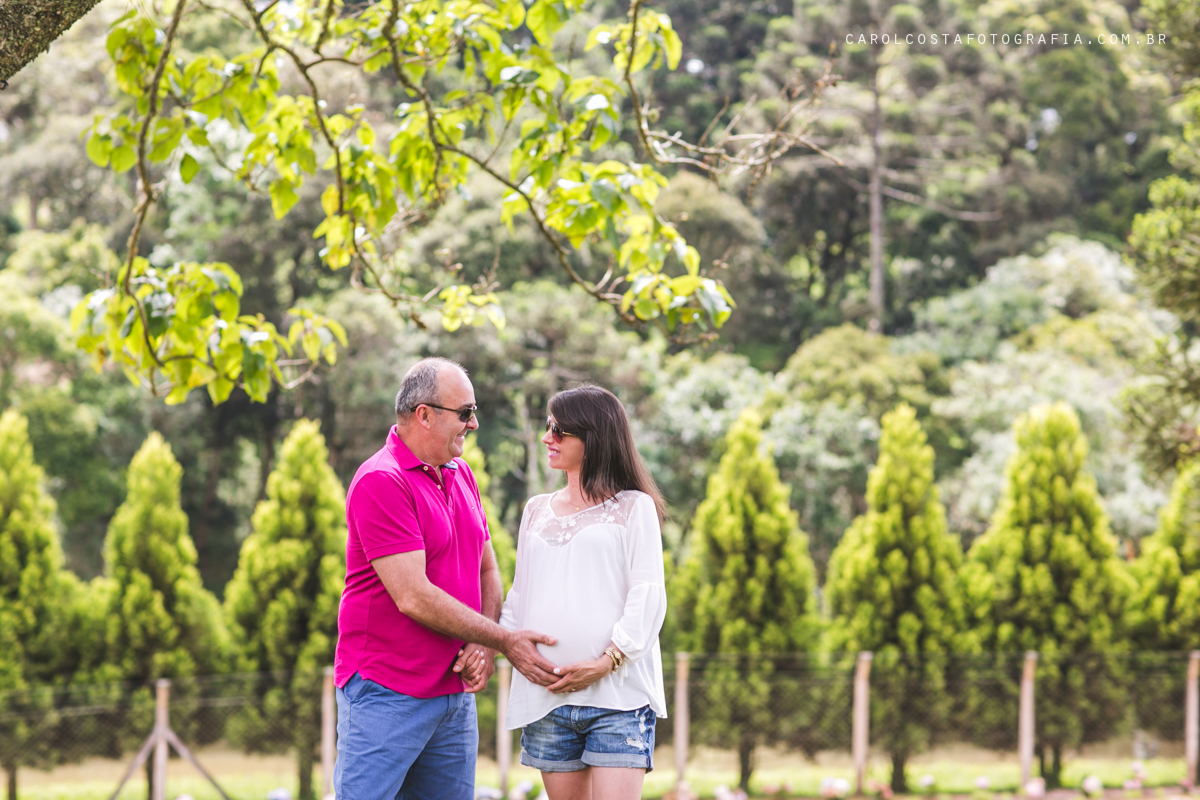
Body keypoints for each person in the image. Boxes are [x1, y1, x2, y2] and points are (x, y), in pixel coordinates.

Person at [333, 357, 560, 800]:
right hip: (387, 691)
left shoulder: (462, 475)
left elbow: (487, 568)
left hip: (453, 696)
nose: (473, 424)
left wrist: (481, 642)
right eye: (466, 413)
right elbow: (413, 596)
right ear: (425, 415)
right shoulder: (381, 481)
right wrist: (503, 640)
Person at [498, 384, 669, 800]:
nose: (547, 438)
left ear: (592, 438)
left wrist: (607, 661)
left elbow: (647, 593)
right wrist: (497, 645)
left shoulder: (634, 506)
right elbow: (521, 594)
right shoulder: (535, 510)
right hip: (548, 700)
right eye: (547, 428)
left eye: (559, 430)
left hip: (618, 698)